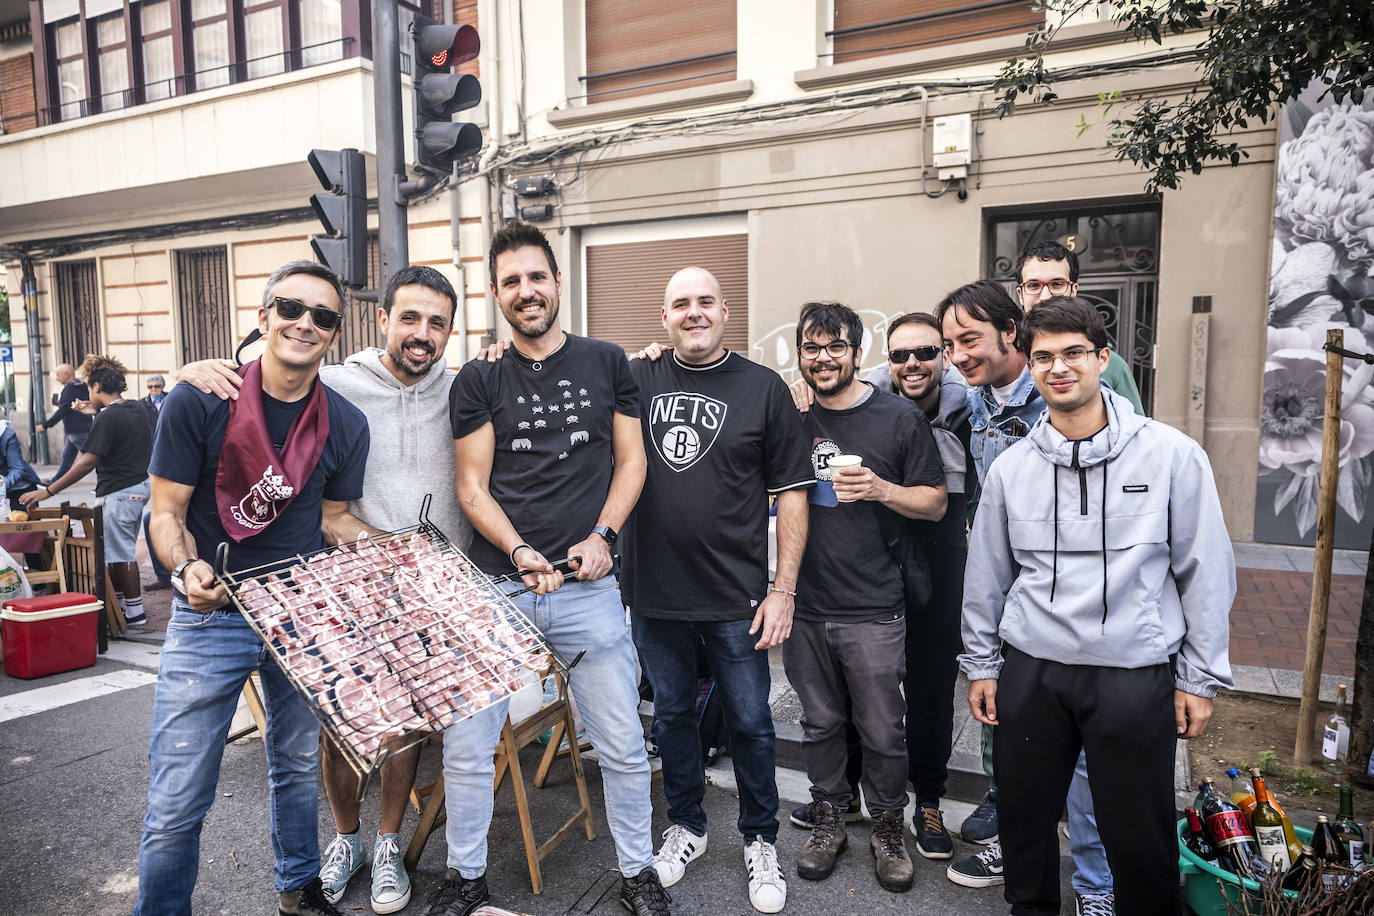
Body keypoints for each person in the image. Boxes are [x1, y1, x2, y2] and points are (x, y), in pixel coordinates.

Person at [173, 265, 470, 914]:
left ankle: (388, 842)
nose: (423, 333)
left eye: (438, 323)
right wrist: (202, 368)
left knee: (404, 731)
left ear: (452, 332)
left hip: (428, 589)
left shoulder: (466, 385)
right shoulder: (337, 381)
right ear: (382, 320)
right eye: (410, 318)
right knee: (339, 729)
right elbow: (270, 364)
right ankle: (347, 840)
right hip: (345, 581)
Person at [960, 296, 1234, 916]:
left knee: (1139, 839)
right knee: (1026, 829)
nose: (1058, 367)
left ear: (1102, 358)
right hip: (1032, 672)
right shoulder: (1010, 470)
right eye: (1043, 357)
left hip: (1132, 673)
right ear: (1029, 367)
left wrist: (1199, 676)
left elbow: (1206, 572)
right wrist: (981, 664)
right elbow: (986, 578)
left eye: (1073, 353)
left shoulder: (1172, 456)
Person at [440, 221, 665, 916]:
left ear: (558, 281)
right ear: (496, 294)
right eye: (511, 281)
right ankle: (465, 880)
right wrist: (516, 550)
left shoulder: (608, 363)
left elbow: (632, 461)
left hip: (587, 586)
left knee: (624, 746)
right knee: (468, 748)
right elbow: (472, 486)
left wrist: (604, 535)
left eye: (536, 277)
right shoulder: (477, 377)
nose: (526, 291)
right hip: (497, 586)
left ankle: (638, 874)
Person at [134, 260, 371, 916]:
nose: (305, 323)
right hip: (213, 615)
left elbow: (334, 519)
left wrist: (389, 550)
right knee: (179, 796)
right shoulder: (201, 399)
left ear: (334, 334)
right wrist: (186, 573)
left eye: (323, 316)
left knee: (296, 766)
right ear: (263, 317)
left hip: (299, 614)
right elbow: (165, 514)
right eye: (291, 308)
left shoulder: (346, 424)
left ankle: (299, 887)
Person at [624, 268, 813, 913]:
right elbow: (562, 372)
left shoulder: (763, 389)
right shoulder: (636, 379)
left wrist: (783, 588)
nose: (694, 312)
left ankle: (760, 838)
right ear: (664, 315)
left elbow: (792, 491)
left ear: (726, 310)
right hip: (653, 594)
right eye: (681, 303)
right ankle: (688, 825)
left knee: (753, 723)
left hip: (738, 598)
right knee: (672, 716)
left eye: (706, 302)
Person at [786, 312, 973, 861]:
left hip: (874, 604)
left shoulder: (897, 418)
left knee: (883, 729)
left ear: (857, 351)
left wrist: (880, 488)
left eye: (835, 346)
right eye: (811, 347)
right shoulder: (790, 415)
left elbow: (936, 502)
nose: (823, 357)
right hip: (805, 604)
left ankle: (889, 828)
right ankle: (830, 818)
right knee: (819, 724)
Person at [22, 355, 153, 626]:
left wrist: (50, 491)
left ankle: (135, 614)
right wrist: (96, 413)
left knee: (122, 552)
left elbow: (88, 462)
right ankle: (119, 607)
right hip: (138, 486)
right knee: (116, 550)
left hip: (119, 490)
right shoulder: (139, 408)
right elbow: (121, 424)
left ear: (95, 387)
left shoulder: (108, 418)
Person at [1013, 240, 1144, 413]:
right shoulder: (1002, 361)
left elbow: (1134, 429)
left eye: (1057, 284)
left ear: (1073, 291)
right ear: (1021, 295)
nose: (1045, 296)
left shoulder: (1112, 365)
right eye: (1034, 285)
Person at [36, 362, 92, 484]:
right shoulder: (82, 385)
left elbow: (63, 411)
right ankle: (54, 482)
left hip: (77, 431)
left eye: (58, 374)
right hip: (81, 428)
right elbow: (73, 405)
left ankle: (111, 480)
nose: (56, 378)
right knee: (67, 458)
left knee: (92, 459)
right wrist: (61, 403)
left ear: (66, 374)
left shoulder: (69, 388)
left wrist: (45, 425)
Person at [0, 419, 42, 512]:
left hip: (21, 487)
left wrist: (2, 486)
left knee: (26, 524)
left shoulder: (6, 435)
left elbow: (17, 468)